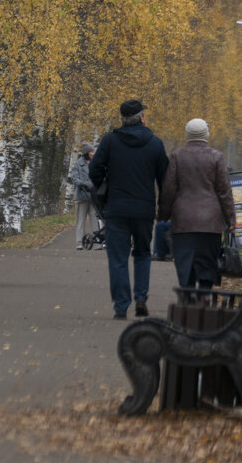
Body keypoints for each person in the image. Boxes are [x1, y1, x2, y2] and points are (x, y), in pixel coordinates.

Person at [89, 99, 169, 320]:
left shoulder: (110, 142)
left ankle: (121, 306)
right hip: (144, 210)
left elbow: (94, 170)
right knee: (143, 254)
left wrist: (103, 187)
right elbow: (165, 179)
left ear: (123, 119)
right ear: (141, 118)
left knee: (118, 257)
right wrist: (163, 207)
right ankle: (141, 298)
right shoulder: (155, 144)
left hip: (117, 208)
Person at [158, 118, 234, 293]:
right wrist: (231, 219)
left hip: (183, 221)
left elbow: (169, 189)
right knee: (207, 264)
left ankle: (188, 296)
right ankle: (204, 297)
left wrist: (163, 214)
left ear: (187, 134)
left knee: (185, 264)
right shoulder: (217, 156)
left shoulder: (177, 156)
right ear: (206, 134)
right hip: (210, 222)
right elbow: (224, 191)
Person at [69, 142, 96, 249]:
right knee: (81, 220)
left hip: (93, 196)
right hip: (82, 196)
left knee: (95, 219)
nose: (93, 153)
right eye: (91, 152)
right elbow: (74, 178)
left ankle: (97, 243)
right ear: (86, 153)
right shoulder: (78, 164)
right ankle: (79, 243)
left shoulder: (95, 163)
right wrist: (84, 184)